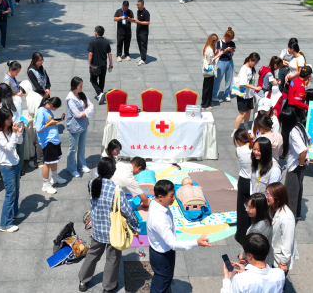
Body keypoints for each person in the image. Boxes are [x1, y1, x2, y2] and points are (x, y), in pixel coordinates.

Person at [78, 157, 140, 293]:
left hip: (97, 228)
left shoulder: (91, 184)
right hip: (114, 231)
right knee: (112, 258)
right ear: (112, 172)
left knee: (92, 254)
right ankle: (108, 287)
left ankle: (83, 281)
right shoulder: (116, 190)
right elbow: (127, 211)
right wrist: (135, 226)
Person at [147, 179, 212, 292]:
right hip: (162, 256)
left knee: (163, 280)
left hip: (159, 251)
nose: (174, 198)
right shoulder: (159, 219)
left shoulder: (156, 202)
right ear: (161, 196)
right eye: (171, 196)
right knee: (162, 282)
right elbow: (173, 244)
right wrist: (196, 242)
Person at [0, 107, 25, 232]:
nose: (10, 120)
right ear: (2, 120)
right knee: (10, 195)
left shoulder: (9, 130)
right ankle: (5, 224)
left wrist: (18, 133)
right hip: (7, 167)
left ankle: (14, 212)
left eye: (11, 118)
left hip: (15, 164)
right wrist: (14, 133)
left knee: (16, 192)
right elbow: (9, 148)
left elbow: (19, 142)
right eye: (8, 119)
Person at [279, 107, 309, 220]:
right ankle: (297, 213)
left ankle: (290, 217)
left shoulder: (292, 133)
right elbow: (308, 139)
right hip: (303, 164)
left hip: (296, 166)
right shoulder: (299, 126)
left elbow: (303, 150)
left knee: (291, 192)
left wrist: (300, 163)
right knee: (298, 189)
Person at [265, 182, 298, 274]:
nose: (266, 197)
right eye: (266, 193)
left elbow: (287, 242)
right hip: (271, 255)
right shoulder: (271, 208)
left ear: (278, 198)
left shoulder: (286, 218)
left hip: (278, 261)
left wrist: (283, 262)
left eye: (269, 195)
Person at [36, 96, 65, 194]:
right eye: (55, 108)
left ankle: (55, 176)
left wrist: (57, 120)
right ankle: (45, 184)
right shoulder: (41, 112)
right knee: (47, 163)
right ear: (51, 105)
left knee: (54, 160)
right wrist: (50, 123)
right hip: (47, 140)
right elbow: (39, 129)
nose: (55, 110)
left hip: (54, 139)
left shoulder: (48, 110)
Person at [66, 77, 94, 177]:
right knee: (73, 149)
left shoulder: (81, 95)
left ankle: (81, 164)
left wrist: (85, 112)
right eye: (79, 86)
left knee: (82, 147)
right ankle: (71, 168)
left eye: (82, 86)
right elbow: (78, 114)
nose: (81, 88)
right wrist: (87, 111)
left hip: (83, 125)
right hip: (74, 127)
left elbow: (91, 105)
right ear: (74, 86)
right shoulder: (70, 99)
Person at [238, 194, 274, 267]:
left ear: (260, 208)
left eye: (251, 207)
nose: (246, 209)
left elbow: (251, 247)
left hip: (256, 264)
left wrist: (242, 255)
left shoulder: (257, 230)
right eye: (246, 205)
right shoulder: (267, 218)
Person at [233, 128, 253, 244]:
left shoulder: (239, 150)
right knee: (253, 208)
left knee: (242, 209)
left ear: (238, 140)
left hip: (243, 181)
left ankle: (241, 235)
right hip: (254, 181)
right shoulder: (255, 148)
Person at [234, 53, 262, 134]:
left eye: (257, 63)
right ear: (250, 60)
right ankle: (235, 131)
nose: (255, 64)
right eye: (255, 62)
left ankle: (246, 125)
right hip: (243, 94)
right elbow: (244, 83)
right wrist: (255, 88)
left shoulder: (251, 68)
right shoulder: (244, 69)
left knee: (248, 111)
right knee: (242, 113)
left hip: (249, 94)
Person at [87, 25, 113, 104]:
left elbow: (90, 54)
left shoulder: (93, 42)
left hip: (95, 65)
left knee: (93, 80)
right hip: (103, 65)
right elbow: (109, 54)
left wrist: (89, 63)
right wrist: (111, 63)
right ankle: (100, 94)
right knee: (102, 80)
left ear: (96, 33)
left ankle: (99, 93)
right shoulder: (106, 42)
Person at [201, 33, 224, 110]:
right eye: (215, 41)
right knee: (208, 87)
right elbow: (211, 60)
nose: (215, 43)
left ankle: (206, 103)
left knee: (206, 87)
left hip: (207, 70)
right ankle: (206, 104)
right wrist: (219, 55)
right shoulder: (210, 49)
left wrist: (216, 53)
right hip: (209, 70)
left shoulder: (207, 47)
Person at [213, 27, 236, 102]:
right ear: (225, 36)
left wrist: (231, 51)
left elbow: (231, 55)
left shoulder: (232, 43)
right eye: (229, 38)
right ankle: (214, 94)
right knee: (218, 79)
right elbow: (219, 53)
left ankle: (227, 94)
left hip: (229, 61)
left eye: (231, 38)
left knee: (229, 79)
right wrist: (226, 49)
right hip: (221, 61)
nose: (230, 40)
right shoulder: (219, 43)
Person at [134, 0, 150, 66]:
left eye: (139, 5)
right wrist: (137, 24)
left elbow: (147, 22)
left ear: (142, 5)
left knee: (143, 45)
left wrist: (139, 22)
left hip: (144, 32)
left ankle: (143, 59)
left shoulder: (146, 12)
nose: (137, 6)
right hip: (138, 30)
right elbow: (137, 17)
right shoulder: (138, 11)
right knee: (139, 44)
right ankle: (142, 57)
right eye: (137, 5)